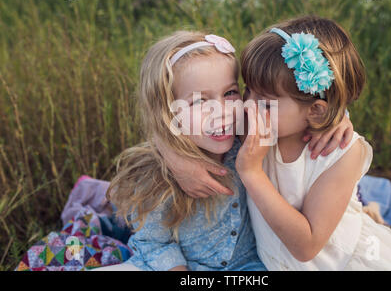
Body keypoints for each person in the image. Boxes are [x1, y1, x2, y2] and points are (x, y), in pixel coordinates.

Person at [92, 29, 353, 271]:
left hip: (249, 267)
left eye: (230, 92)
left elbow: (295, 111)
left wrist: (338, 118)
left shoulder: (249, 141)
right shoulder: (155, 174)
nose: (222, 110)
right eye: (199, 100)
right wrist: (174, 157)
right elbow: (154, 243)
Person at [234, 15, 391, 270]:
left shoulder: (341, 152)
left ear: (317, 111)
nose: (247, 105)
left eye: (265, 102)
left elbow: (306, 246)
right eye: (246, 90)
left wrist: (252, 173)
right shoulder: (255, 126)